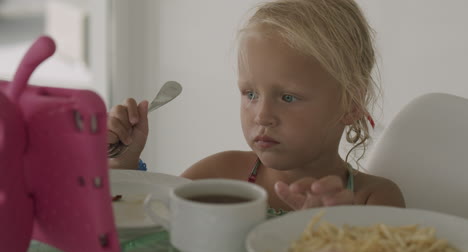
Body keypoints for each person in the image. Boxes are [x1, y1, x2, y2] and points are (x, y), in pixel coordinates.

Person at [107, 0, 405, 212]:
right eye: (250, 94)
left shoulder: (371, 201)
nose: (262, 116)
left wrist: (334, 238)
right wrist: (124, 167)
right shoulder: (217, 175)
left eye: (288, 97)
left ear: (350, 103)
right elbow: (142, 233)